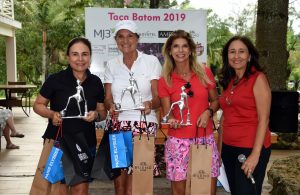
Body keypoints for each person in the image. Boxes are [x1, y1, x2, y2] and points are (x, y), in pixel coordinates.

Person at [33, 37, 106, 195]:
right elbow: (38, 105)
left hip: (85, 143)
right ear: (68, 57)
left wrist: (96, 115)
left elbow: (102, 112)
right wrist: (52, 114)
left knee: (80, 189)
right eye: (75, 54)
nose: (80, 59)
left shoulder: (96, 82)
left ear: (90, 57)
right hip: (58, 141)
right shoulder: (55, 79)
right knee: (58, 189)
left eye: (84, 54)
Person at [158, 30, 220, 195]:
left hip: (204, 139)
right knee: (179, 192)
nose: (180, 50)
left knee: (206, 190)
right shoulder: (165, 79)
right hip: (178, 142)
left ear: (191, 49)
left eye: (184, 46)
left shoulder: (204, 72)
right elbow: (167, 112)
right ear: (170, 51)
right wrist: (171, 119)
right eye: (176, 46)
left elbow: (216, 100)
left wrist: (208, 111)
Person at [104, 20, 162, 195]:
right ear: (116, 41)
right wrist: (110, 106)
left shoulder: (151, 61)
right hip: (118, 126)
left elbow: (159, 98)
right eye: (120, 36)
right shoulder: (111, 64)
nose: (125, 40)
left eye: (130, 36)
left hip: (143, 125)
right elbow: (107, 98)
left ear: (137, 39)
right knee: (119, 185)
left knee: (136, 185)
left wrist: (150, 104)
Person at [218, 35, 272, 195]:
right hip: (228, 148)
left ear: (249, 56)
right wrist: (219, 150)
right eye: (232, 52)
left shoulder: (258, 78)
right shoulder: (230, 80)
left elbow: (264, 119)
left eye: (241, 51)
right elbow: (224, 117)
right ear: (227, 56)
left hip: (250, 148)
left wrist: (255, 155)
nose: (236, 56)